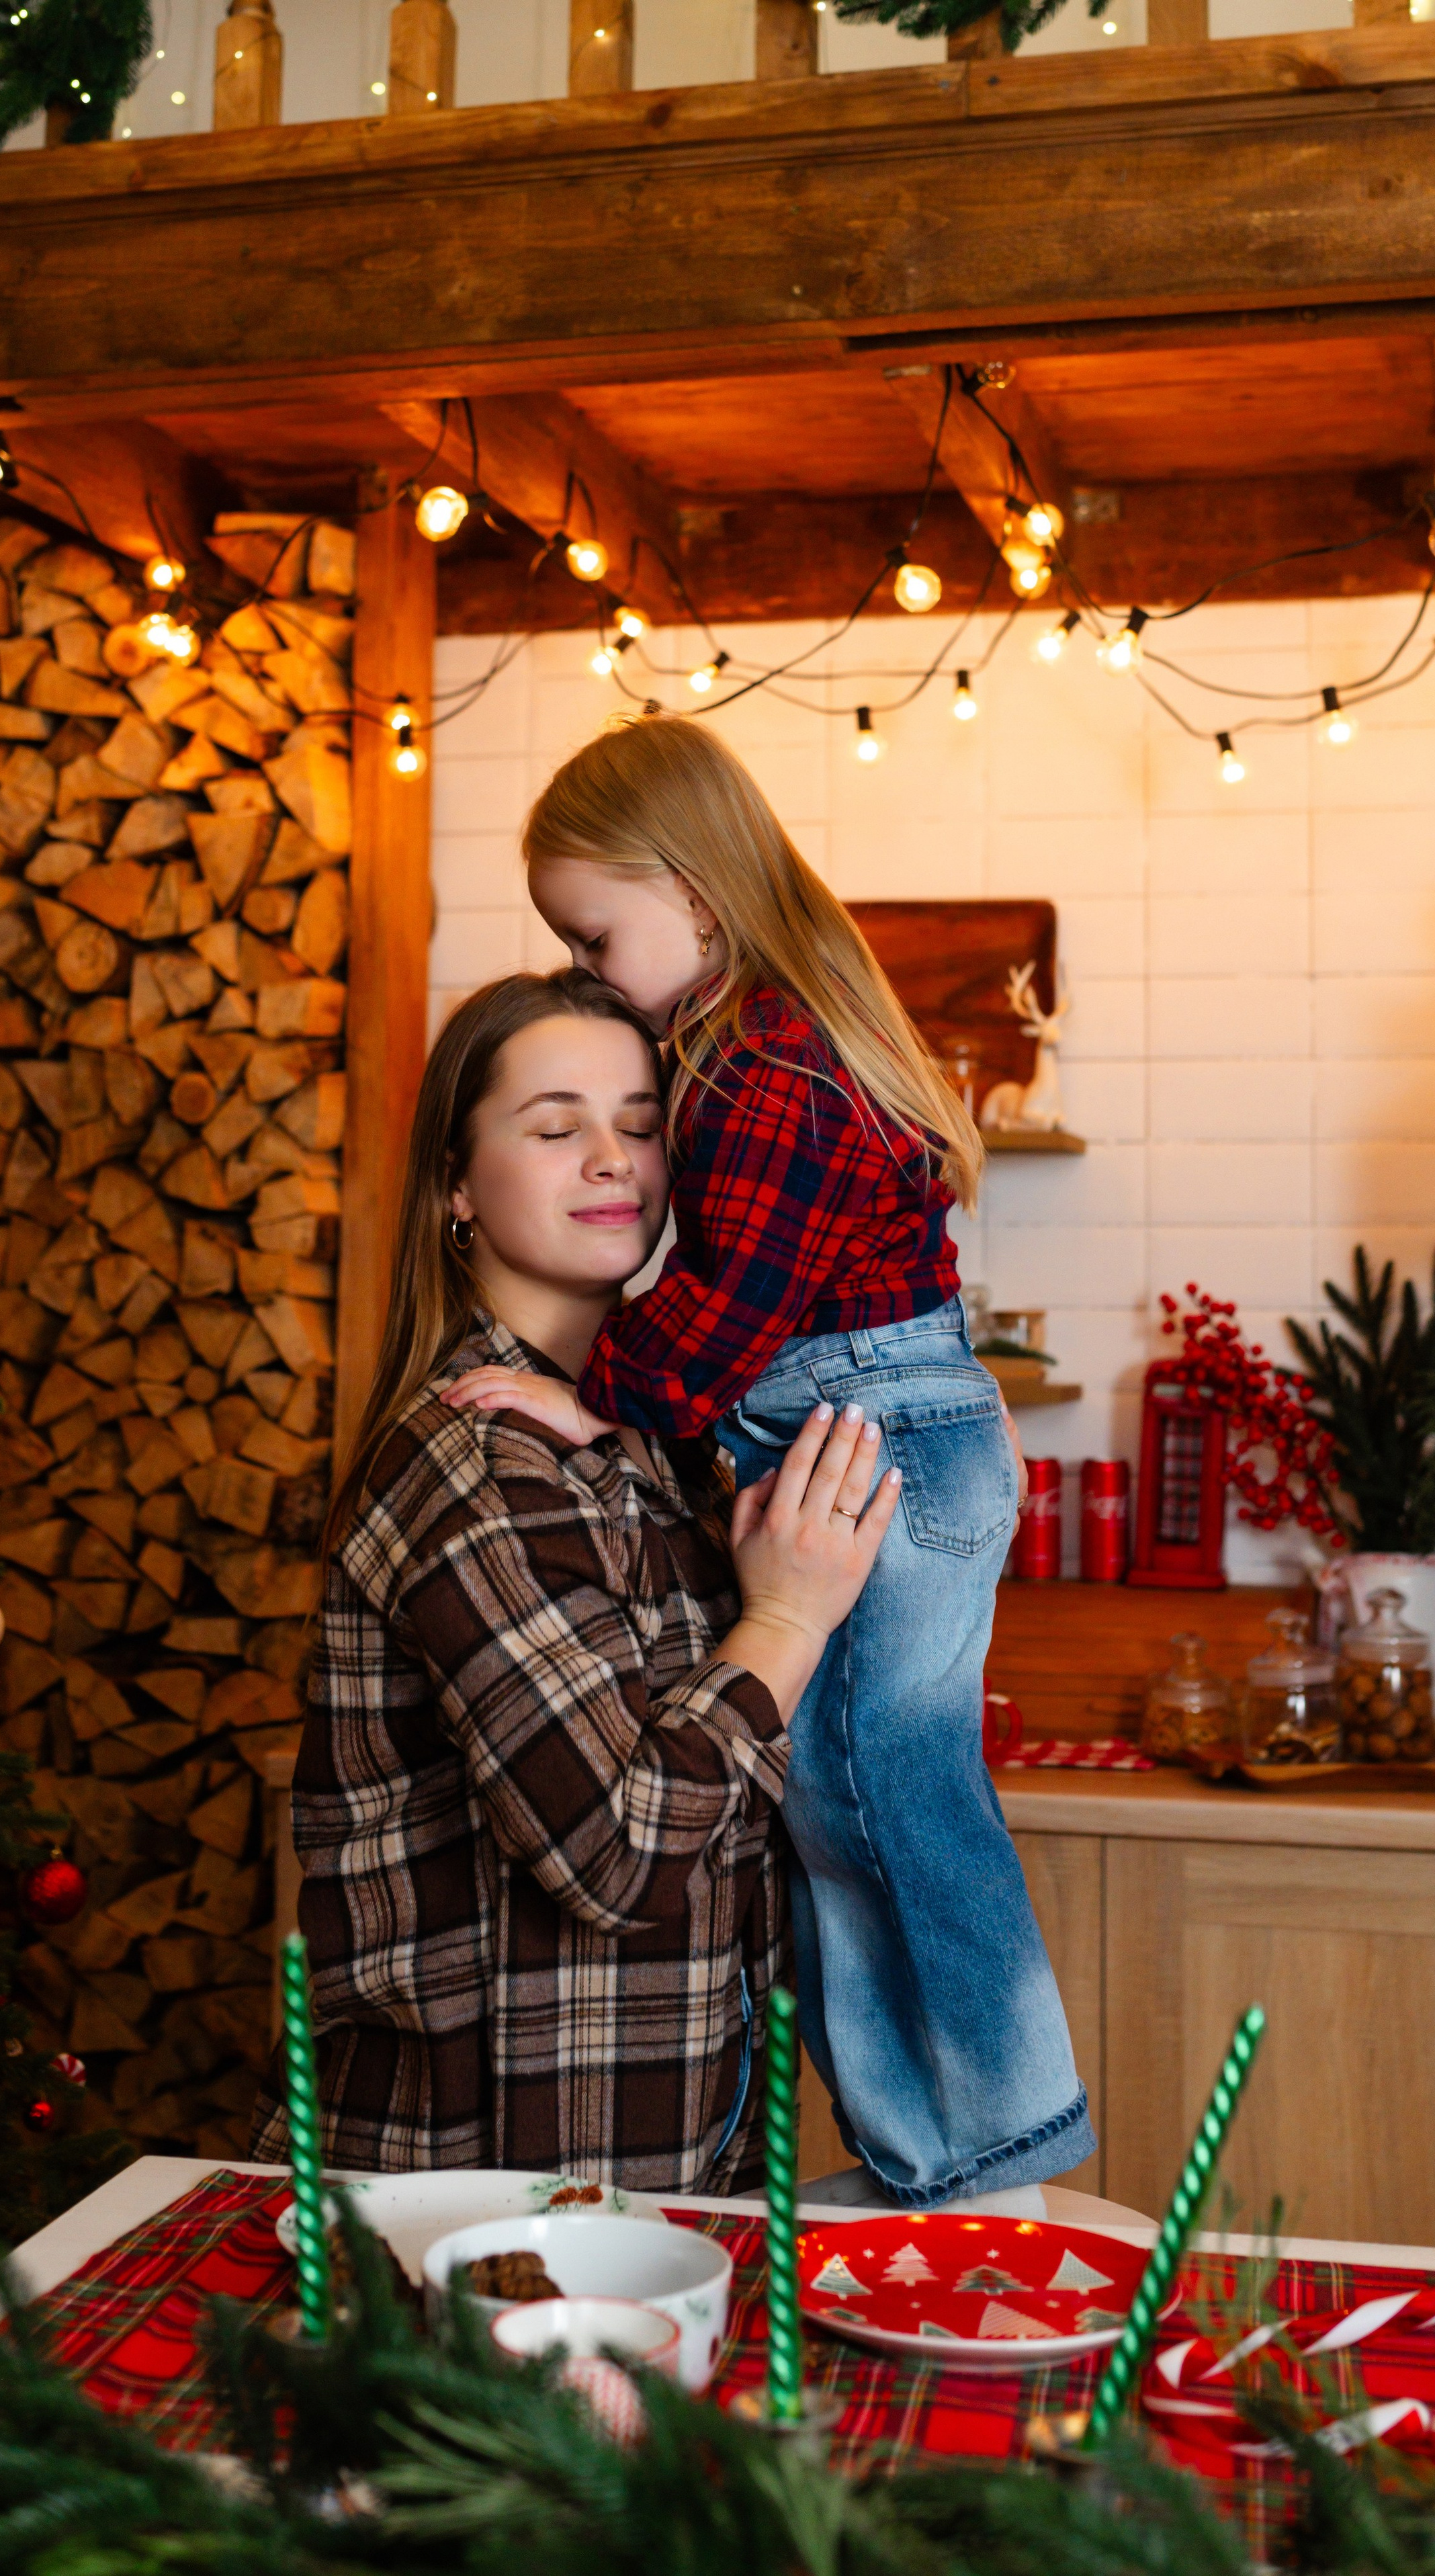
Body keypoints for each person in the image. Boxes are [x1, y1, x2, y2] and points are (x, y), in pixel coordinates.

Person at [445, 716, 1093, 2208]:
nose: (591, 971)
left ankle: (985, 2151)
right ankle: (924, 2151)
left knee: (881, 1797)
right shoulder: (764, 1046)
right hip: (876, 1427)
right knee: (840, 1801)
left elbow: (722, 1321)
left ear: (690, 882)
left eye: (594, 934)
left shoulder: (768, 1071)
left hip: (862, 1439)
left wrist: (594, 1403)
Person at [253, 969, 900, 2192]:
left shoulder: (649, 1444)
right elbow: (618, 1846)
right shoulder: (477, 1464)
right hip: (478, 2206)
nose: (614, 1159)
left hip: (650, 2184)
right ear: (456, 1182)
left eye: (643, 1125)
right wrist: (785, 1616)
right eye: (556, 1128)